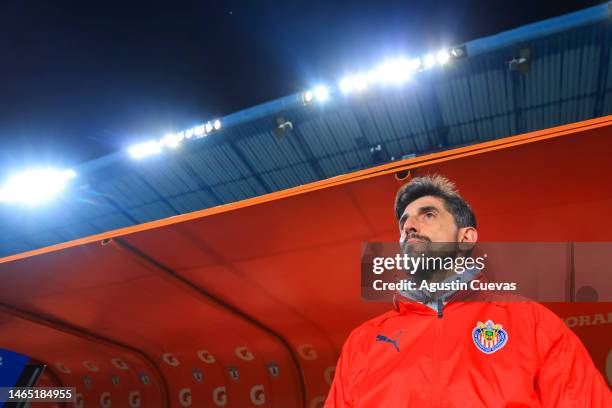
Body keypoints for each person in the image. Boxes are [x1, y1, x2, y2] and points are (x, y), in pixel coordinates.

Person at [325, 174, 611, 407]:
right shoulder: (362, 344)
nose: (409, 227)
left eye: (427, 215)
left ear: (466, 238)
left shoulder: (532, 322)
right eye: (404, 223)